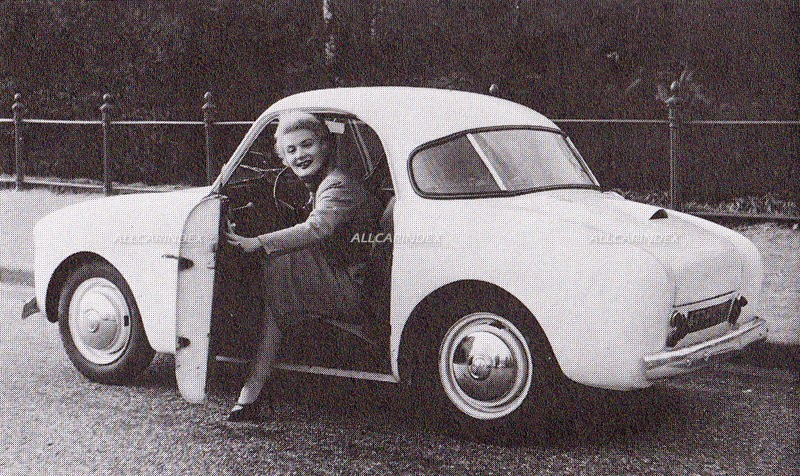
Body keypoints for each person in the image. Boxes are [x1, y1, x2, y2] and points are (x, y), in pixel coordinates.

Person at [224, 111, 382, 422]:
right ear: (283, 159)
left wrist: (257, 242)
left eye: (307, 145)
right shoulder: (324, 181)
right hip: (348, 275)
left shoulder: (337, 184)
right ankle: (253, 388)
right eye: (291, 150)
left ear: (324, 145)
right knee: (278, 280)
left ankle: (253, 385)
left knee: (277, 269)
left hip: (356, 286)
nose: (300, 155)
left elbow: (316, 228)